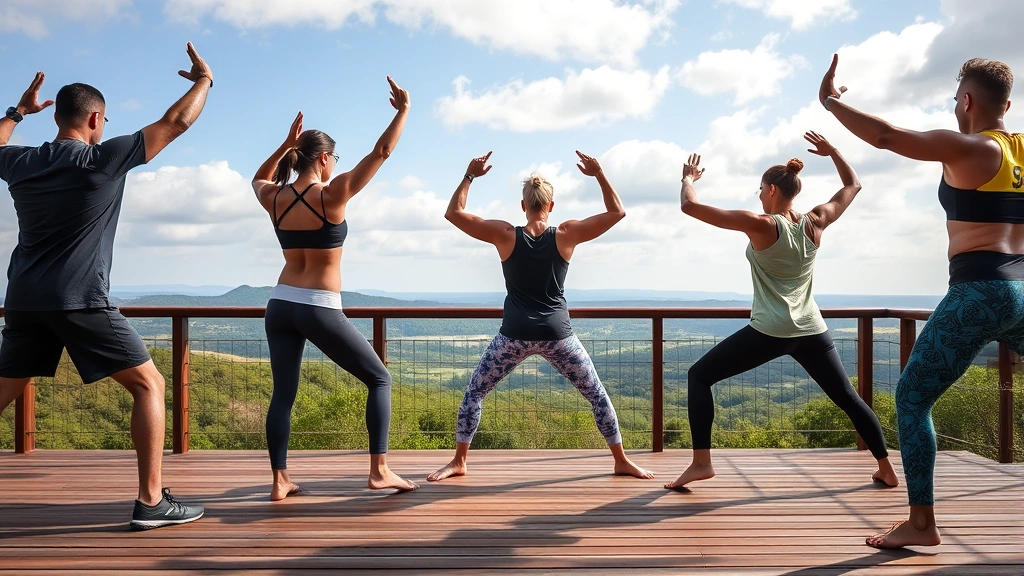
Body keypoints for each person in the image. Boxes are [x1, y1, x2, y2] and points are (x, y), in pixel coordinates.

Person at [0, 43, 212, 530]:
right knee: (149, 384)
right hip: (79, 299)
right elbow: (175, 123)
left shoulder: (22, 163)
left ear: (59, 117)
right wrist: (204, 81)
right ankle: (152, 501)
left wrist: (16, 112)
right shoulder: (101, 161)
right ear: (95, 119)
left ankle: (154, 498)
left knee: (5, 389)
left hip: (25, 299)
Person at [819, 54, 1023, 549]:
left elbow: (887, 137)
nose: (955, 107)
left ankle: (922, 523)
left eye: (957, 98)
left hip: (979, 290)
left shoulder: (969, 147)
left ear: (968, 101)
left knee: (912, 399)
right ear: (1009, 106)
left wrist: (829, 102)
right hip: (1022, 292)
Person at [665, 132, 899, 494]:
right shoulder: (815, 221)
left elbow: (690, 207)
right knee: (849, 398)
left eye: (760, 189)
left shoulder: (761, 224)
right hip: (812, 329)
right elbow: (853, 184)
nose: (758, 195)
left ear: (772, 190)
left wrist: (687, 179)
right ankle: (886, 467)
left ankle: (701, 463)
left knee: (699, 376)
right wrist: (833, 151)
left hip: (771, 330)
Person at [427, 150, 655, 482]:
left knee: (475, 392)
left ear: (524, 206)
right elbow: (617, 211)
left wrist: (470, 175)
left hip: (513, 335)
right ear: (551, 205)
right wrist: (599, 173)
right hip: (558, 335)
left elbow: (453, 213)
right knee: (597, 395)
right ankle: (621, 459)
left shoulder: (505, 234)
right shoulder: (565, 234)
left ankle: (459, 461)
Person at [251, 77, 418, 501]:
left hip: (279, 304)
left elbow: (257, 178)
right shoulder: (332, 195)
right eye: (334, 158)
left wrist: (284, 145)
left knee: (283, 394)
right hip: (318, 306)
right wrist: (402, 112)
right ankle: (379, 471)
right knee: (379, 379)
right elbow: (381, 153)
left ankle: (279, 480)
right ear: (325, 159)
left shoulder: (273, 197)